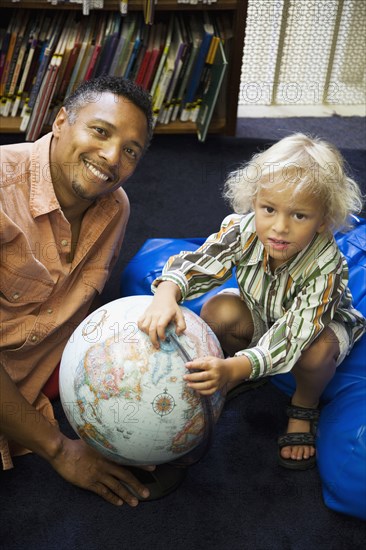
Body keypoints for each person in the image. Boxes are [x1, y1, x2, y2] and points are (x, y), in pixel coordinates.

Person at [138, 133, 366, 470]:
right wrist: (166, 292)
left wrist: (234, 368)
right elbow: (200, 263)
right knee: (218, 309)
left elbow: (294, 335)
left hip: (314, 329)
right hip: (262, 313)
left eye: (299, 216)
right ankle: (246, 370)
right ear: (254, 201)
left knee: (315, 354)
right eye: (269, 209)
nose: (280, 227)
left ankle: (303, 407)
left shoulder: (326, 266)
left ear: (323, 221)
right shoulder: (241, 229)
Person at [0, 76, 159, 507]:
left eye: (131, 151)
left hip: (43, 371)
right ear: (60, 120)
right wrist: (58, 449)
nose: (111, 158)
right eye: (100, 131)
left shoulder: (116, 206)